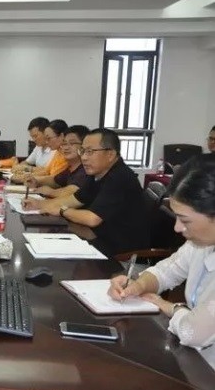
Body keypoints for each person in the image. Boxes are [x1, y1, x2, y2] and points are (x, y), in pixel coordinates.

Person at [108, 154, 215, 361]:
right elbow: (166, 271)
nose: (177, 228)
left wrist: (172, 307)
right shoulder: (200, 243)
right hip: (193, 359)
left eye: (185, 220)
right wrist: (138, 285)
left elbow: (192, 333)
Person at [23, 128, 149, 257]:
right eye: (82, 151)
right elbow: (74, 200)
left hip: (123, 252)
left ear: (110, 154)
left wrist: (61, 210)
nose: (83, 157)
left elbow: (92, 219)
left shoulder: (120, 177)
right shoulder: (97, 173)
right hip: (100, 237)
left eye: (90, 152)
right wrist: (39, 204)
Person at [26, 125, 89, 198]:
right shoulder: (71, 168)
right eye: (64, 143)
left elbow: (73, 191)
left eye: (72, 143)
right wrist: (36, 181)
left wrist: (51, 192)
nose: (66, 147)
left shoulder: (85, 169)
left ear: (84, 146)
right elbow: (55, 181)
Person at [12, 119, 68, 183]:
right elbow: (46, 171)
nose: (47, 142)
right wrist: (25, 175)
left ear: (61, 136)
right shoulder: (58, 152)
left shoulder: (65, 154)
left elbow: (53, 179)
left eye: (49, 138)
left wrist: (25, 177)